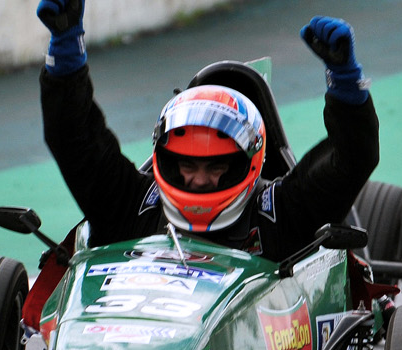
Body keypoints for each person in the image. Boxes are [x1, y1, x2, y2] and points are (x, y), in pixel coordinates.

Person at [35, 0, 379, 262]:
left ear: (249, 163)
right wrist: (65, 52)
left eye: (215, 167)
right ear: (165, 158)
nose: (199, 180)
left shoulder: (281, 213)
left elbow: (353, 159)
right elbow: (73, 138)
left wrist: (346, 84)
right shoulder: (133, 205)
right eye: (187, 165)